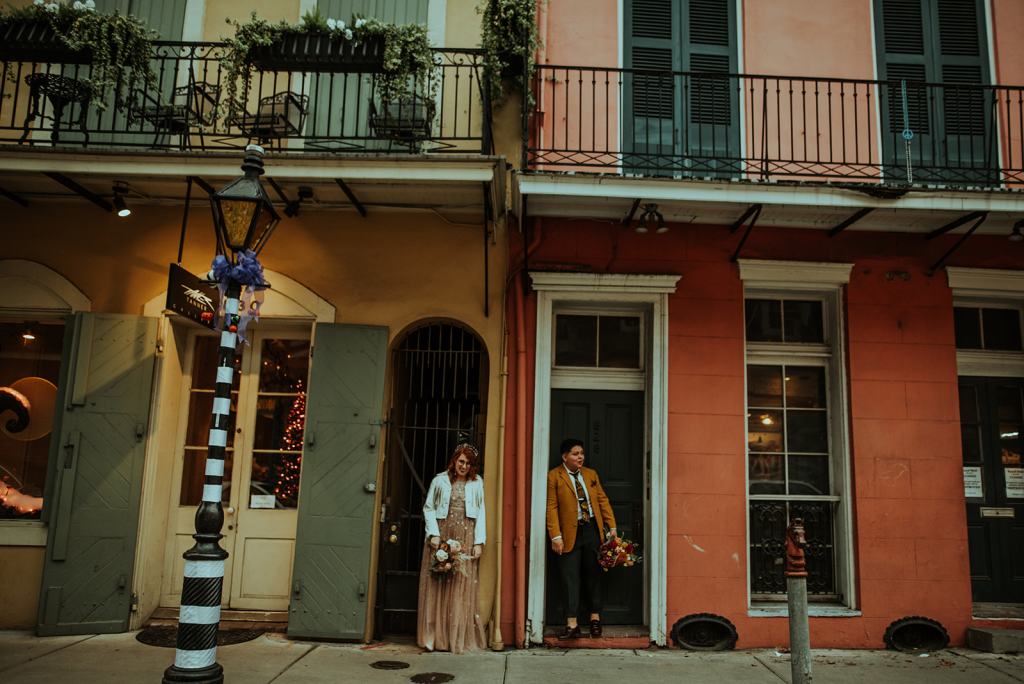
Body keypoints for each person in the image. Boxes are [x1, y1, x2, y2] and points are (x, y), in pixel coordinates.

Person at [417, 443, 487, 653]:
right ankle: (434, 637)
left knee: (459, 585)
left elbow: (481, 511)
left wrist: (478, 542)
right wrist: (434, 534)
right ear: (454, 461)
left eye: (468, 463)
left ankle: (455, 637)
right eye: (461, 461)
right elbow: (429, 507)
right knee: (438, 582)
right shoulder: (440, 480)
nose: (464, 466)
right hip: (443, 532)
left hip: (466, 533)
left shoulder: (476, 483)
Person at [546, 437, 617, 639]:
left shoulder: (590, 474)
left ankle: (595, 619)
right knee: (570, 579)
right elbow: (551, 507)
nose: (580, 457)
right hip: (569, 534)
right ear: (565, 456)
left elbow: (602, 500)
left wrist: (611, 526)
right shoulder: (554, 477)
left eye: (582, 453)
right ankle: (572, 624)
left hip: (592, 531)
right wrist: (555, 536)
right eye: (576, 454)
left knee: (593, 576)